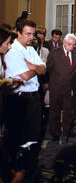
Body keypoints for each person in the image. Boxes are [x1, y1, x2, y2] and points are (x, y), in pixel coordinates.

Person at [4, 19, 46, 162]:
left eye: (33, 34)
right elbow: (26, 76)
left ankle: (28, 167)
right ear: (18, 32)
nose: (31, 38)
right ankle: (17, 171)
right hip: (20, 99)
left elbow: (44, 69)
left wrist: (32, 66)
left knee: (34, 135)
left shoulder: (31, 49)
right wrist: (35, 68)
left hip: (34, 97)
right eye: (28, 34)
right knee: (20, 138)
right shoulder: (13, 52)